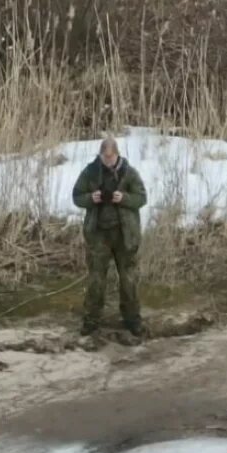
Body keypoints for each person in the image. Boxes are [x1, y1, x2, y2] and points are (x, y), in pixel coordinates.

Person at [71, 136, 148, 336]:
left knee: (128, 279)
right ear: (100, 155)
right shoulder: (90, 172)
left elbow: (142, 198)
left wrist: (124, 198)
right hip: (99, 234)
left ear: (117, 155)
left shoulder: (129, 173)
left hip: (125, 235)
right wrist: (91, 198)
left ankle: (132, 320)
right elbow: (77, 196)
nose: (108, 161)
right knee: (96, 279)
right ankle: (91, 320)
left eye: (111, 158)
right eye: (104, 158)